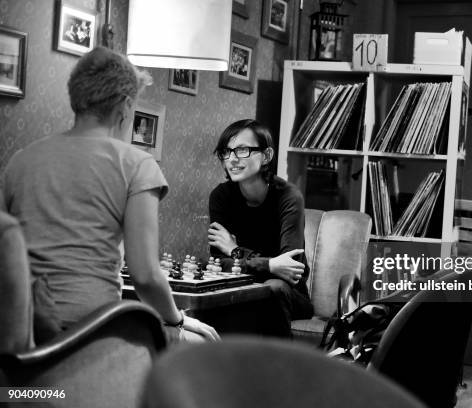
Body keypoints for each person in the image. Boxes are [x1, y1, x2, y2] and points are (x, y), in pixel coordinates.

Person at [1, 47, 219, 345]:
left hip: (21, 330)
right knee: (204, 343)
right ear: (126, 106)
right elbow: (144, 275)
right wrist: (178, 319)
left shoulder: (21, 160)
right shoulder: (136, 164)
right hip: (89, 331)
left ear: (75, 96)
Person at [208, 119, 314, 337]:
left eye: (242, 150)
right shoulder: (221, 197)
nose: (232, 159)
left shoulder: (289, 196)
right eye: (226, 152)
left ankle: (280, 369)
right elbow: (219, 262)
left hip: (288, 294)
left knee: (272, 288)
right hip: (242, 287)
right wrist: (270, 263)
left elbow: (291, 268)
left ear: (266, 156)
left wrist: (236, 252)